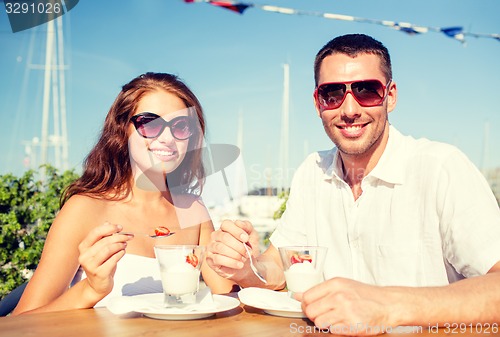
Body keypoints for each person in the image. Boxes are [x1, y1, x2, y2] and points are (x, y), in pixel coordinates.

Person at [206, 34, 500, 333]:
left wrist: (388, 306)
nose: (349, 110)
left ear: (391, 95)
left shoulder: (440, 168)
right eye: (332, 94)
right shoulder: (312, 172)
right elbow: (280, 269)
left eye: (366, 91)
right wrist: (246, 267)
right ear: (318, 102)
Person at [13, 72, 234, 315]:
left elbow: (226, 298)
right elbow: (22, 321)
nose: (168, 137)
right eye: (150, 123)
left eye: (181, 126)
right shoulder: (85, 209)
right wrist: (91, 289)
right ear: (122, 129)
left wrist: (239, 262)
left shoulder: (192, 208)